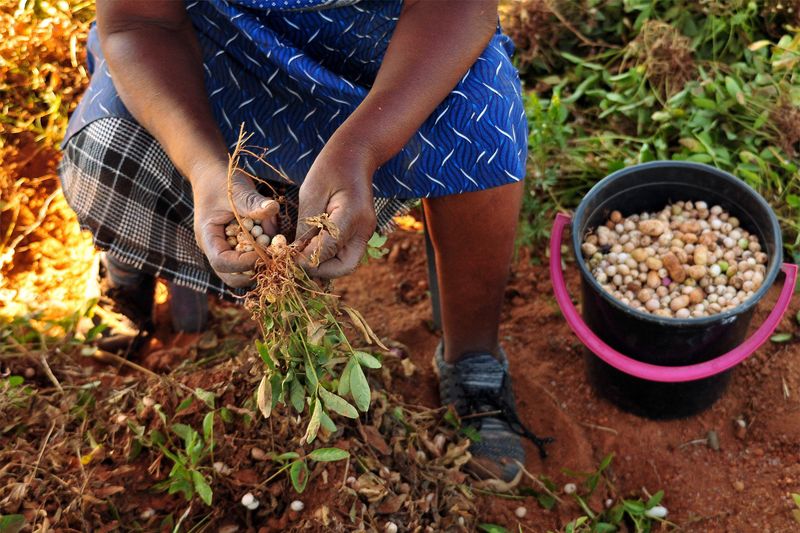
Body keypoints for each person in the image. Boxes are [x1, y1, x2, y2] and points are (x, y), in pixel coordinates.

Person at [59, 0, 550, 482]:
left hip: (388, 40)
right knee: (111, 149)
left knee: (485, 130)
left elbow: (461, 8)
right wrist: (207, 169)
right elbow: (137, 21)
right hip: (219, 37)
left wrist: (362, 145)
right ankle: (129, 270)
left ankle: (473, 358)